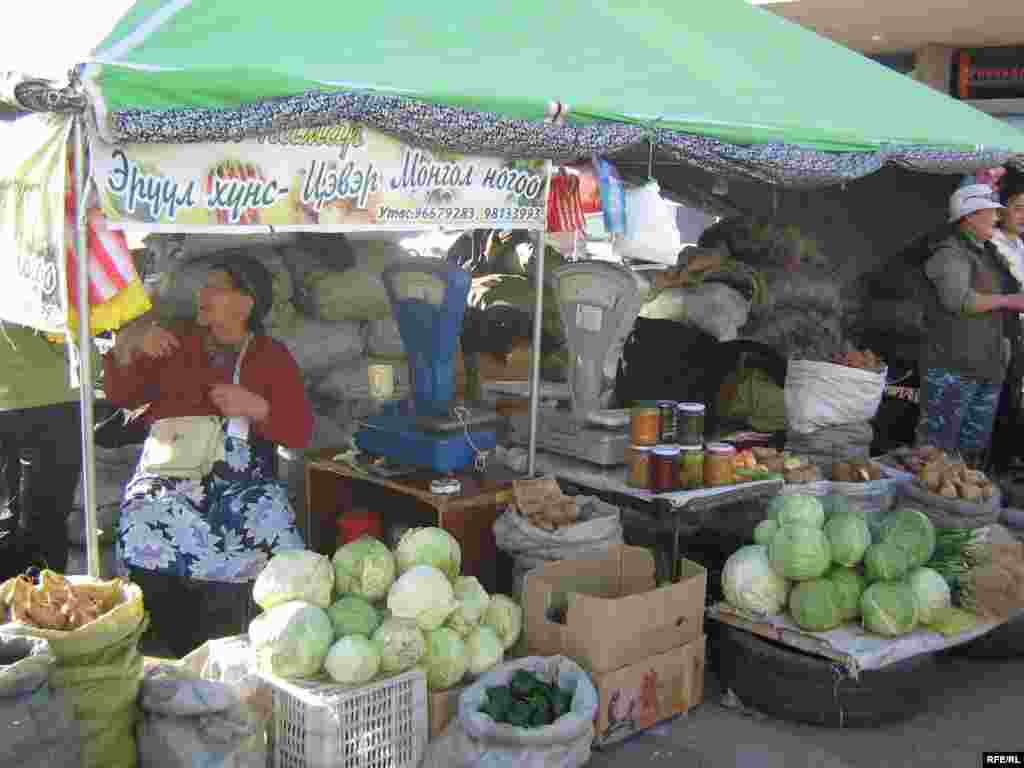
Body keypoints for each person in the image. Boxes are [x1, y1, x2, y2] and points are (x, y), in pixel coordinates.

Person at [104, 253, 312, 656]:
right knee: (143, 515)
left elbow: (300, 431)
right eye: (205, 286)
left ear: (247, 303)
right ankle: (158, 640)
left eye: (216, 287)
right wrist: (129, 345)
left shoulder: (270, 356)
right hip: (170, 471)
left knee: (270, 526)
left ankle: (249, 638)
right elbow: (122, 395)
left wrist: (257, 408)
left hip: (241, 481)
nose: (204, 294)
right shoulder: (173, 339)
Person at [917, 184, 1024, 465]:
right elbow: (959, 300)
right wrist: (1008, 300)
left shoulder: (989, 252)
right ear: (969, 216)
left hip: (987, 365)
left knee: (970, 453)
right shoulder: (948, 252)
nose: (996, 218)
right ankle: (929, 506)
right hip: (952, 367)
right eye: (990, 212)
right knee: (937, 452)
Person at [0, 324, 83, 581]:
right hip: (51, 397)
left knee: (23, 522)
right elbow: (82, 356)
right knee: (44, 524)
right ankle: (41, 604)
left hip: (25, 395)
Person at [988, 172, 1024, 471]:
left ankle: (1008, 457)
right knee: (1002, 395)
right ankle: (995, 462)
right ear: (1000, 210)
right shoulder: (994, 246)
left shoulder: (1020, 246)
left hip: (1019, 333)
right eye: (1019, 208)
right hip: (1001, 332)